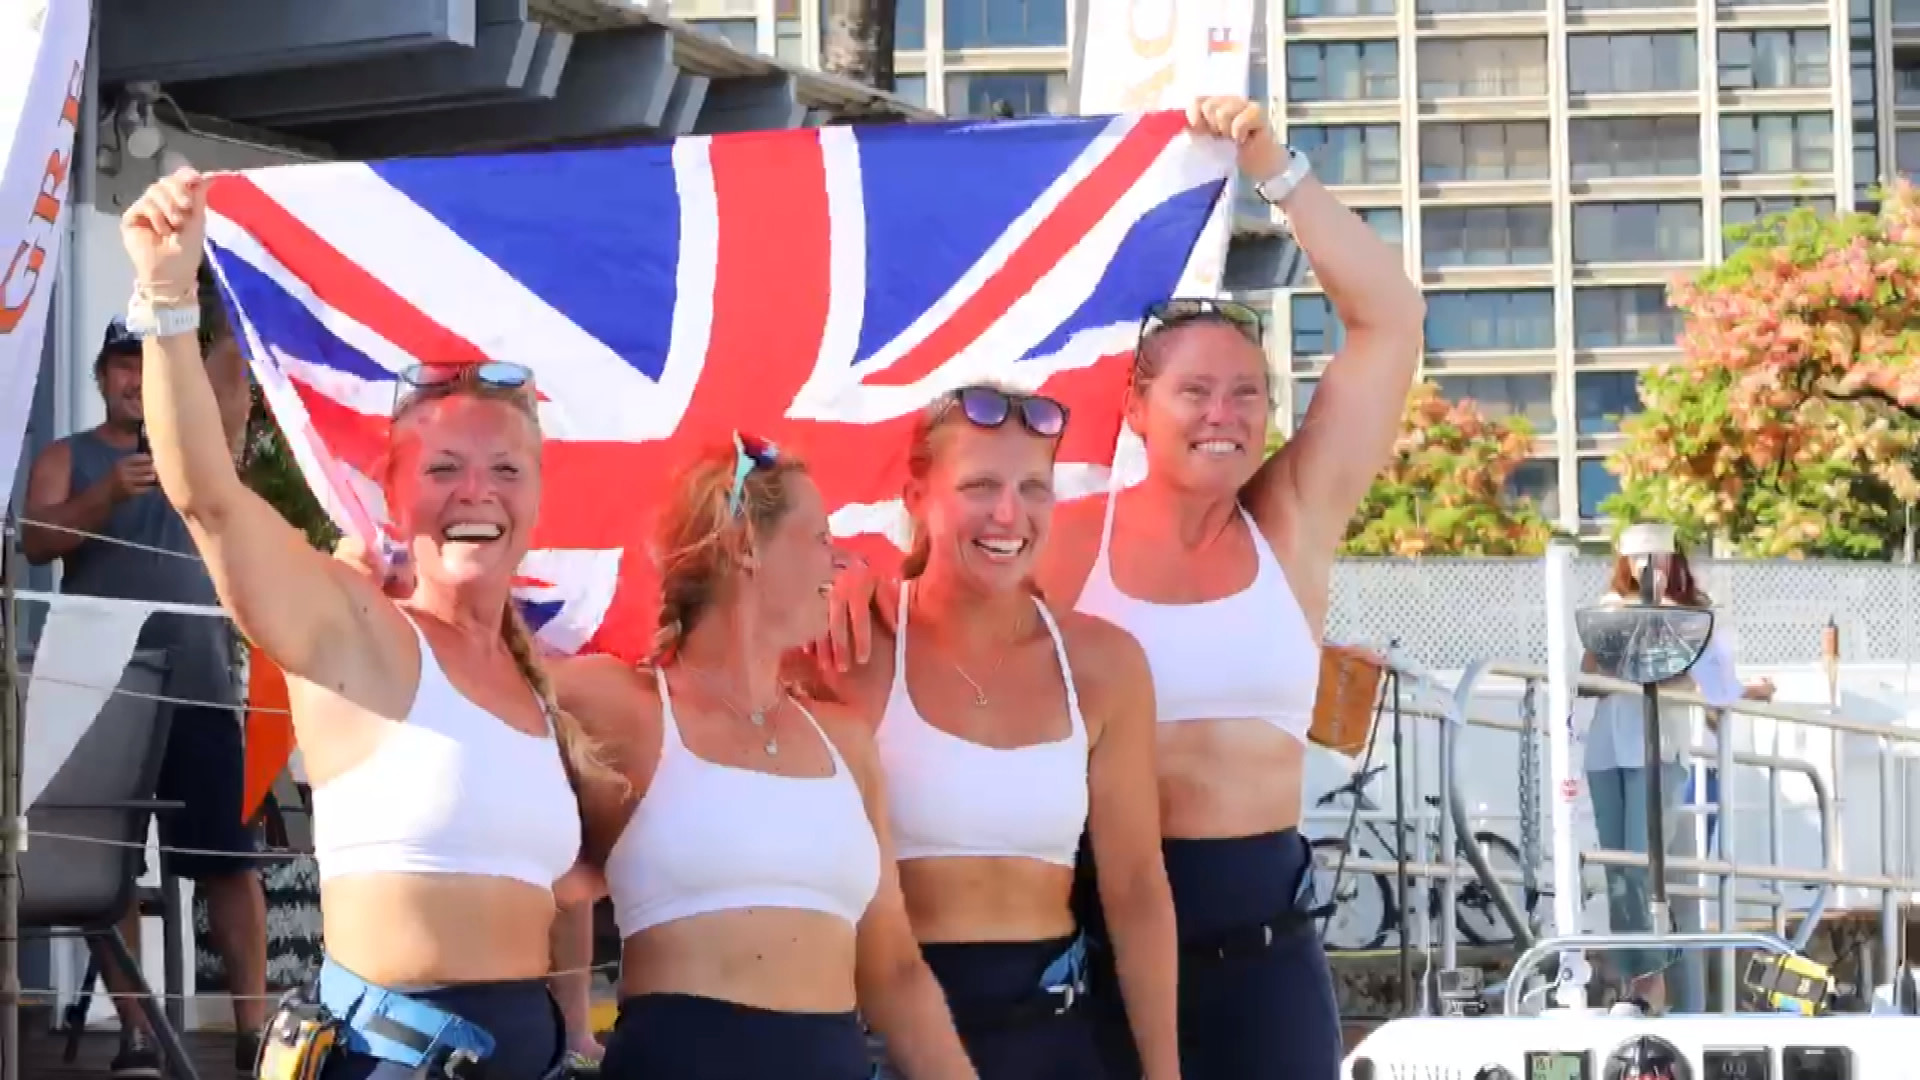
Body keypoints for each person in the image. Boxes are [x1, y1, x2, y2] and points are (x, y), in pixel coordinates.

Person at [820, 95, 1424, 1080]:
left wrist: (1275, 168)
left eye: (1249, 393)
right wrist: (843, 573)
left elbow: (1391, 319)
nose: (1224, 413)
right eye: (1196, 391)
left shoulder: (1293, 521)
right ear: (1137, 408)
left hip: (1264, 944)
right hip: (1102, 938)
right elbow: (942, 584)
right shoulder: (1063, 540)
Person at [119, 168, 604, 1080]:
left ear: (538, 498)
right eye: (444, 469)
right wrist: (166, 297)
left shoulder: (542, 676)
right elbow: (210, 501)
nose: (477, 493)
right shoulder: (359, 633)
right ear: (390, 494)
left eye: (506, 471)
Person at [556, 435, 978, 1080]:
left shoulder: (844, 740)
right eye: (819, 539)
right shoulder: (622, 704)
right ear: (747, 544)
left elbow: (894, 970)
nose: (838, 563)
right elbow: (479, 689)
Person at [814, 385, 1179, 1080]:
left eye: (1032, 488)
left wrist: (1163, 1072)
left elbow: (1135, 887)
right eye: (979, 485)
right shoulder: (853, 645)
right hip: (882, 1033)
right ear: (917, 496)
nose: (1008, 514)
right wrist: (826, 577)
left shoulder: (1104, 665)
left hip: (1050, 1024)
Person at [21, 316, 265, 1079]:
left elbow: (236, 382)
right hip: (101, 692)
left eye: (147, 367)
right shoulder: (70, 455)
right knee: (111, 866)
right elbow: (35, 539)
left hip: (200, 687)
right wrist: (101, 498)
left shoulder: (201, 452)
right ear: (101, 377)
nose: (134, 379)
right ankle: (135, 1033)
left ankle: (254, 1032)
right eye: (123, 367)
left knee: (230, 863)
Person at [1581, 546, 1774, 1013]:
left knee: (1644, 864)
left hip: (1659, 748)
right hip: (1607, 748)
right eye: (1637, 557)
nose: (1648, 567)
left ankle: (1653, 984)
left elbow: (1711, 684)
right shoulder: (1609, 608)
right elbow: (1587, 677)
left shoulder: (1693, 617)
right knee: (1620, 872)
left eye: (1659, 558)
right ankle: (1637, 980)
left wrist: (1748, 690)